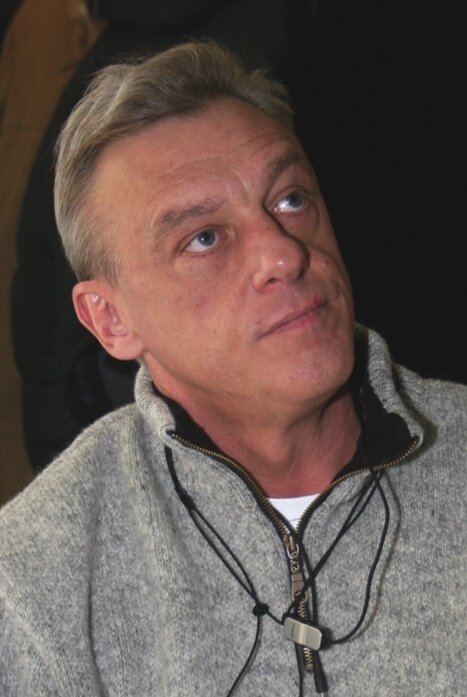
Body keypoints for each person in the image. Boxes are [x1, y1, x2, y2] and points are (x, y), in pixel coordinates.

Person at [0, 41, 465, 696]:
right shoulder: (35, 580)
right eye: (204, 237)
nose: (283, 254)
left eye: (291, 199)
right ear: (111, 320)